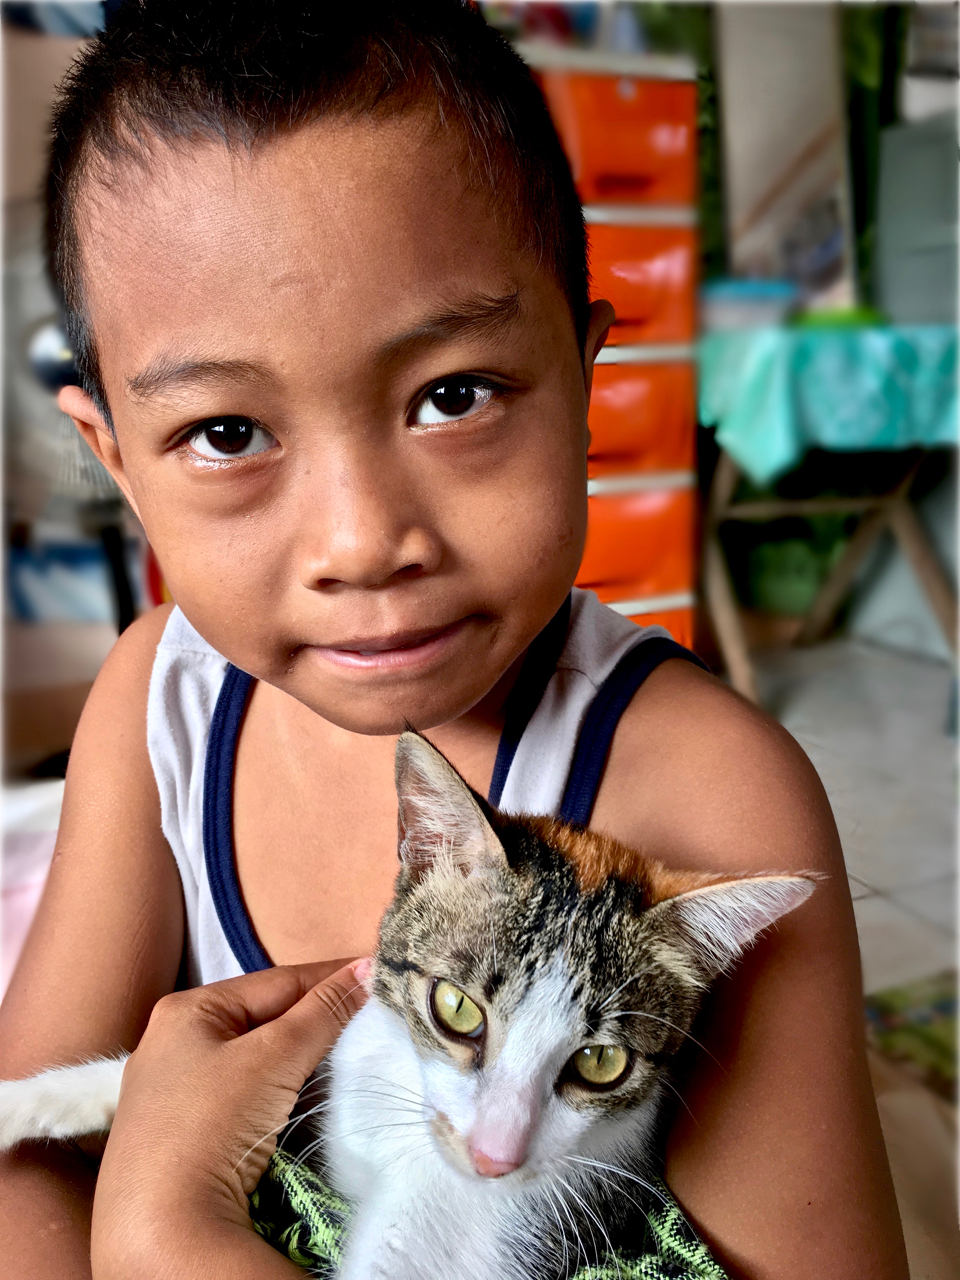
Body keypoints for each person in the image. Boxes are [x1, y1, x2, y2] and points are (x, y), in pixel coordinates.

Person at [0, 2, 907, 1277]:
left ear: (590, 383)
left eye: (454, 395)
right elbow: (18, 1143)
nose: (364, 540)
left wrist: (164, 1236)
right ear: (117, 464)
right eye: (224, 431)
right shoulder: (158, 694)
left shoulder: (711, 793)